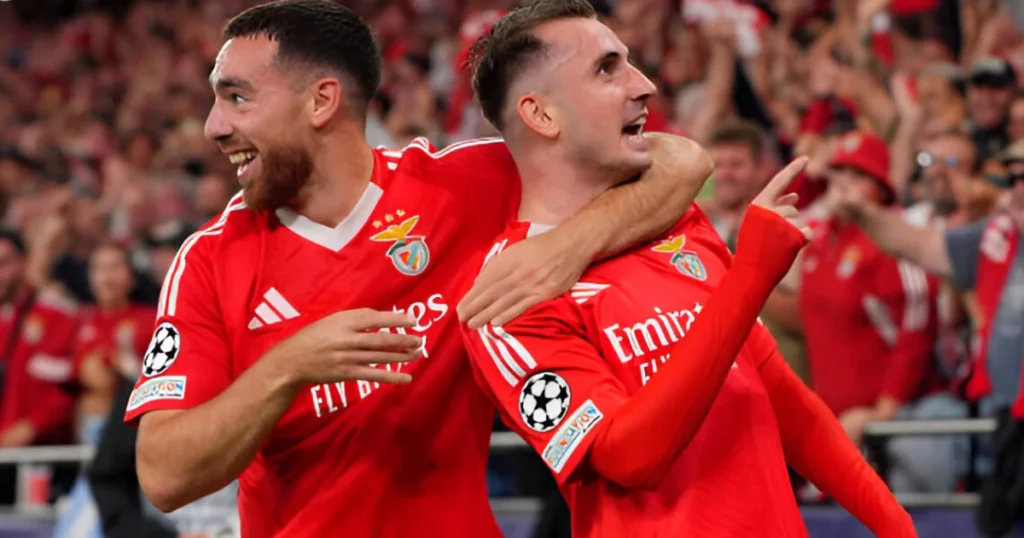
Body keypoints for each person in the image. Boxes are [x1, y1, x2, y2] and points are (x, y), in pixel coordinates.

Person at [126, 1, 710, 537]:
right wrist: (288, 367)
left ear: (321, 101)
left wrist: (564, 248)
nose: (214, 126)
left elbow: (678, 161)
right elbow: (164, 474)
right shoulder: (210, 259)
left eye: (237, 98)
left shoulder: (465, 187)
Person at [459, 2, 915, 537]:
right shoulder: (505, 300)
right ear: (542, 115)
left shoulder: (676, 220)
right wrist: (751, 274)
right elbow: (628, 457)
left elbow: (786, 403)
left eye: (630, 62)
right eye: (607, 69)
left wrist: (897, 526)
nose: (645, 85)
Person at [799, 133, 965, 493]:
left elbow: (916, 329)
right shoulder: (818, 238)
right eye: (837, 173)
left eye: (856, 175)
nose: (843, 184)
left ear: (881, 186)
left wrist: (884, 410)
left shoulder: (893, 239)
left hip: (897, 426)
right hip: (837, 427)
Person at [53, 242, 158, 537]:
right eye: (98, 268)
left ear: (131, 276)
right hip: (84, 444)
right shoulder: (79, 320)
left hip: (128, 445)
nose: (106, 277)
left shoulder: (149, 321)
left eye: (114, 267)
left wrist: (119, 371)